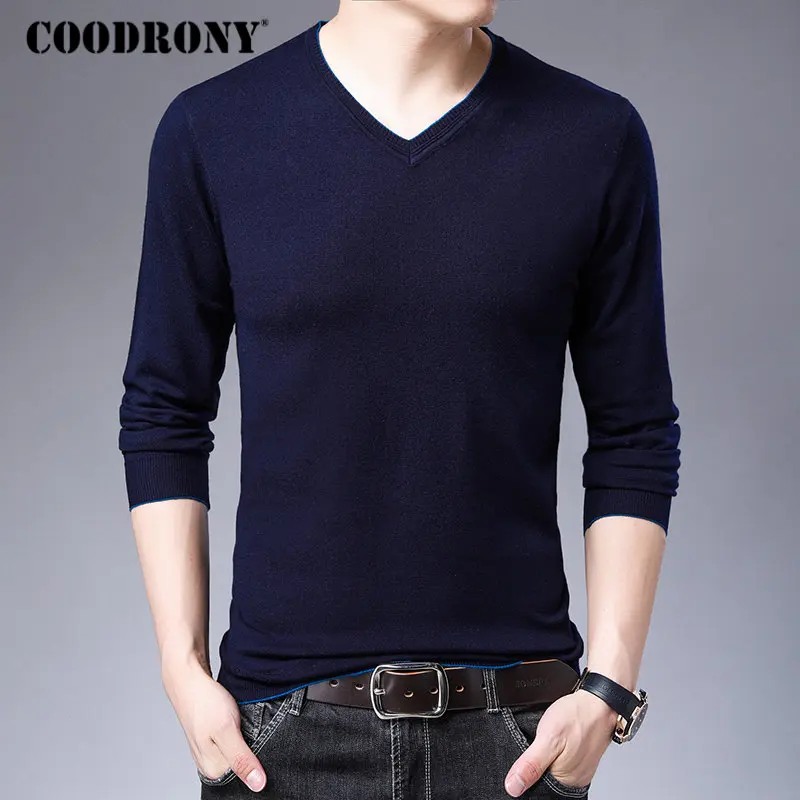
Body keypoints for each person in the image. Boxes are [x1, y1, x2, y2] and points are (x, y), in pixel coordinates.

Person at [117, 1, 681, 797]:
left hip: (516, 736)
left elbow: (635, 429)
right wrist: (182, 670)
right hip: (281, 738)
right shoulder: (213, 130)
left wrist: (609, 687)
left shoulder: (593, 136)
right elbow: (164, 409)